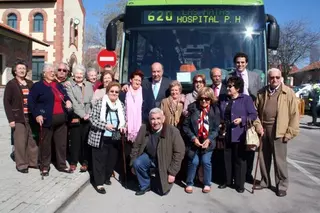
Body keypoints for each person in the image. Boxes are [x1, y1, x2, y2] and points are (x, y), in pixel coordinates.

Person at [255, 68, 299, 197]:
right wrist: (257, 126)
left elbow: (294, 114)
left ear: (281, 78)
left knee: (280, 161)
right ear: (268, 79)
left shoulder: (288, 92)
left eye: (277, 77)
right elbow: (254, 111)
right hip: (264, 129)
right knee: (263, 158)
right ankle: (265, 181)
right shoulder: (262, 92)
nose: (274, 80)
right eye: (272, 77)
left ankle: (282, 185)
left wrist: (290, 132)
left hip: (280, 130)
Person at [28, 63, 73, 176]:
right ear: (44, 73)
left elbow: (65, 95)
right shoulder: (38, 86)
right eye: (50, 71)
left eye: (53, 71)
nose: (53, 73)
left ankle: (62, 165)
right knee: (45, 144)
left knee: (61, 144)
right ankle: (44, 166)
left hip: (61, 120)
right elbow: (31, 102)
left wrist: (68, 100)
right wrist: (37, 114)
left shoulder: (58, 85)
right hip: (46, 119)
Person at [130, 108, 185, 196]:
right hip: (149, 157)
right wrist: (133, 163)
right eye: (153, 119)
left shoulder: (173, 131)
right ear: (149, 119)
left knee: (162, 191)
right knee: (138, 163)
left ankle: (158, 179)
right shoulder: (144, 128)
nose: (155, 122)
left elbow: (179, 153)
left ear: (163, 119)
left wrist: (172, 173)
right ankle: (145, 185)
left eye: (158, 118)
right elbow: (136, 146)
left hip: (164, 161)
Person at [218, 76, 257, 193]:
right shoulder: (224, 99)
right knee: (227, 158)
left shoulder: (246, 99)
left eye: (230, 86)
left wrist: (242, 119)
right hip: (226, 133)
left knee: (240, 159)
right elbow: (220, 113)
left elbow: (253, 115)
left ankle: (240, 184)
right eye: (227, 86)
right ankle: (227, 181)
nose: (228, 88)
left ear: (238, 88)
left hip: (240, 133)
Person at [227, 52, 262, 183]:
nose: (240, 64)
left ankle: (248, 174)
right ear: (235, 63)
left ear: (246, 63)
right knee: (238, 145)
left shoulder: (255, 76)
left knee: (251, 143)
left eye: (242, 62)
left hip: (252, 111)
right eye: (238, 62)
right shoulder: (230, 77)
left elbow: (259, 94)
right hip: (236, 110)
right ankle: (237, 174)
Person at [88, 82, 126, 194]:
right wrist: (105, 125)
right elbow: (92, 119)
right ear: (107, 92)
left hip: (115, 137)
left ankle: (106, 177)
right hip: (100, 136)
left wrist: (123, 126)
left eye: (116, 92)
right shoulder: (100, 103)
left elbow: (124, 119)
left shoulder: (121, 105)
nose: (114, 93)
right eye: (112, 91)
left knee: (111, 160)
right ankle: (99, 183)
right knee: (99, 161)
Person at [183, 87, 220, 194]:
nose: (204, 101)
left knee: (205, 161)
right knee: (194, 161)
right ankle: (189, 182)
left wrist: (209, 139)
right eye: (202, 98)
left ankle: (207, 183)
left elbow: (216, 128)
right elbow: (186, 126)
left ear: (211, 99)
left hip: (208, 141)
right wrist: (193, 138)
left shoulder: (215, 110)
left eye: (207, 99)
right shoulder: (192, 108)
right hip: (194, 141)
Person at [3, 60, 38, 173]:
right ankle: (22, 164)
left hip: (31, 116)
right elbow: (6, 103)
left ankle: (33, 162)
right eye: (20, 69)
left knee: (32, 140)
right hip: (18, 117)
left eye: (24, 68)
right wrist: (11, 119)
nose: (22, 70)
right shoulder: (11, 84)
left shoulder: (30, 83)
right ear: (15, 71)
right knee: (20, 141)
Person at [66, 65, 94, 172]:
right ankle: (73, 162)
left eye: (81, 74)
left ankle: (84, 162)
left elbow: (92, 100)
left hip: (88, 117)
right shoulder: (69, 85)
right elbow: (73, 102)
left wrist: (89, 114)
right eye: (77, 73)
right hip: (76, 117)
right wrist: (83, 114)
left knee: (85, 141)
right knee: (75, 141)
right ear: (73, 74)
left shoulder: (88, 85)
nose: (79, 75)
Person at [119, 70, 144, 181]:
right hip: (127, 127)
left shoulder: (145, 92)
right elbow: (119, 108)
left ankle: (136, 174)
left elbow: (148, 108)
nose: (138, 82)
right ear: (130, 80)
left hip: (140, 128)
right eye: (136, 79)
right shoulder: (124, 92)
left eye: (139, 80)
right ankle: (127, 175)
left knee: (138, 152)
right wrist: (123, 122)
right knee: (127, 152)